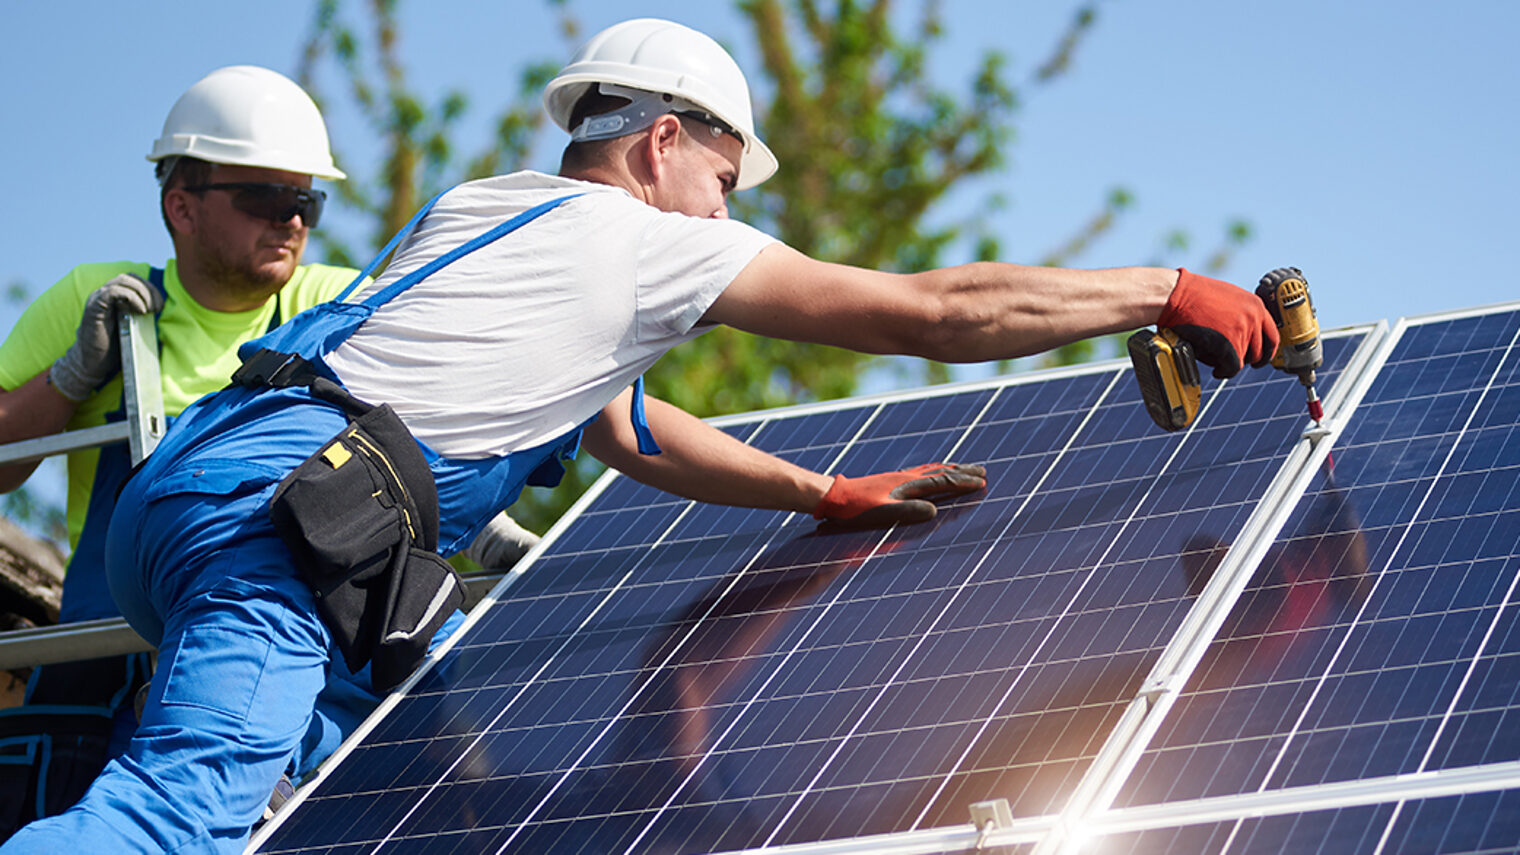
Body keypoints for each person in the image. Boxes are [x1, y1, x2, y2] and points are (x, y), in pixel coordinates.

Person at [0, 17, 1276, 854]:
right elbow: (935, 312)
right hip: (286, 528)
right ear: (664, 143)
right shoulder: (647, 241)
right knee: (173, 817)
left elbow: (630, 429)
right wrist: (1160, 290)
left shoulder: (487, 211)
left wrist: (812, 491)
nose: (724, 213)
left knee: (344, 814)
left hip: (217, 495)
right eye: (725, 183)